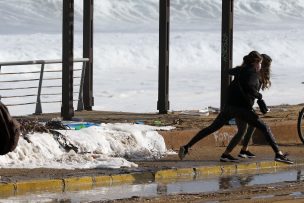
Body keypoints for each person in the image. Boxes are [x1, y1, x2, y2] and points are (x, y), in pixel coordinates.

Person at [178, 51, 293, 164]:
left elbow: (230, 71)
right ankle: (278, 154)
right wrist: (259, 96)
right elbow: (249, 86)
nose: (260, 66)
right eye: (259, 63)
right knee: (265, 128)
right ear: (254, 63)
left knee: (212, 128)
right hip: (242, 109)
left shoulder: (241, 70)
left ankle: (188, 147)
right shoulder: (252, 73)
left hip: (229, 107)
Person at [220, 54, 272, 162]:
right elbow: (248, 88)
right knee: (242, 130)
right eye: (263, 64)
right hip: (239, 106)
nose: (266, 68)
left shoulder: (256, 73)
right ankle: (226, 154)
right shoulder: (250, 72)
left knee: (251, 125)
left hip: (245, 105)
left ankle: (243, 149)